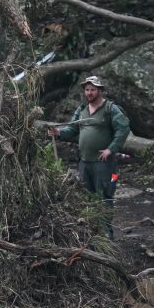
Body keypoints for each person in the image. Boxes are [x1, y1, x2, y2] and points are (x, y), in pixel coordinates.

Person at [49, 75, 131, 238]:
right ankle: (93, 231)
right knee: (87, 196)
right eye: (87, 89)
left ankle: (107, 232)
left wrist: (111, 149)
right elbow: (72, 130)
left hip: (106, 164)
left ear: (100, 90)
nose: (89, 92)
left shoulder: (110, 109)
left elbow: (124, 128)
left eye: (93, 89)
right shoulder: (81, 110)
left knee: (106, 195)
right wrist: (58, 132)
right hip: (84, 162)